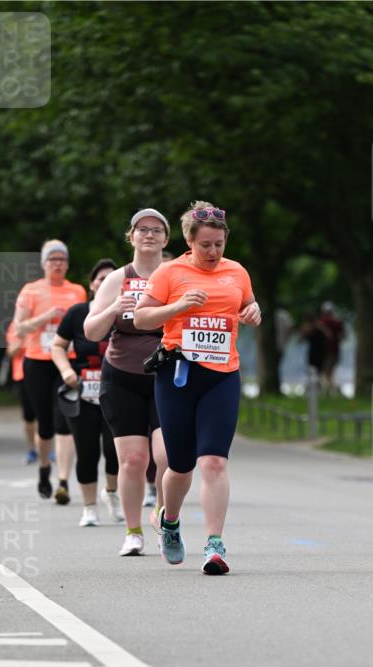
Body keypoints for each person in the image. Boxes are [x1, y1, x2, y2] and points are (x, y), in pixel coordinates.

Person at [134, 201, 261, 574]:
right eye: (205, 245)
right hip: (179, 375)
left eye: (219, 244)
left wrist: (255, 312)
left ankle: (214, 544)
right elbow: (141, 317)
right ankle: (170, 521)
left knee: (215, 461)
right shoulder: (170, 272)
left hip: (222, 375)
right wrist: (176, 307)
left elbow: (249, 306)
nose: (213, 252)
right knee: (180, 464)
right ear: (190, 241)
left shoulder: (236, 272)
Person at [84, 209, 170, 556]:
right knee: (133, 460)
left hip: (167, 376)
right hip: (122, 377)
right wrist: (113, 309)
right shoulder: (117, 278)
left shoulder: (177, 274)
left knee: (166, 457)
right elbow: (91, 331)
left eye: (156, 230)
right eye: (142, 229)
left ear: (166, 239)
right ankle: (133, 532)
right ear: (131, 237)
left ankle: (165, 519)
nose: (149, 235)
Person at [51, 258, 124, 526]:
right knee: (87, 450)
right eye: (101, 279)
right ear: (92, 285)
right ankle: (89, 507)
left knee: (115, 450)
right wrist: (65, 371)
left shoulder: (127, 311)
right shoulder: (77, 313)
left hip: (117, 390)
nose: (105, 283)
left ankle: (112, 493)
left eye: (111, 279)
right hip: (82, 391)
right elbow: (57, 346)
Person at [12, 240, 86, 501]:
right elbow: (19, 327)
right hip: (37, 361)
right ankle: (44, 468)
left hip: (67, 361)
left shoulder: (77, 291)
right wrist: (47, 317)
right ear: (44, 264)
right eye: (53, 259)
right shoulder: (31, 290)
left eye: (62, 259)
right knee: (44, 423)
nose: (58, 264)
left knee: (64, 420)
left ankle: (63, 480)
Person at [6, 320, 38, 463]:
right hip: (23, 374)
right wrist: (23, 338)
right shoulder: (16, 325)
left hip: (45, 373)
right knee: (29, 414)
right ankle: (32, 449)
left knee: (46, 413)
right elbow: (10, 351)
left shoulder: (46, 321)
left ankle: (48, 448)